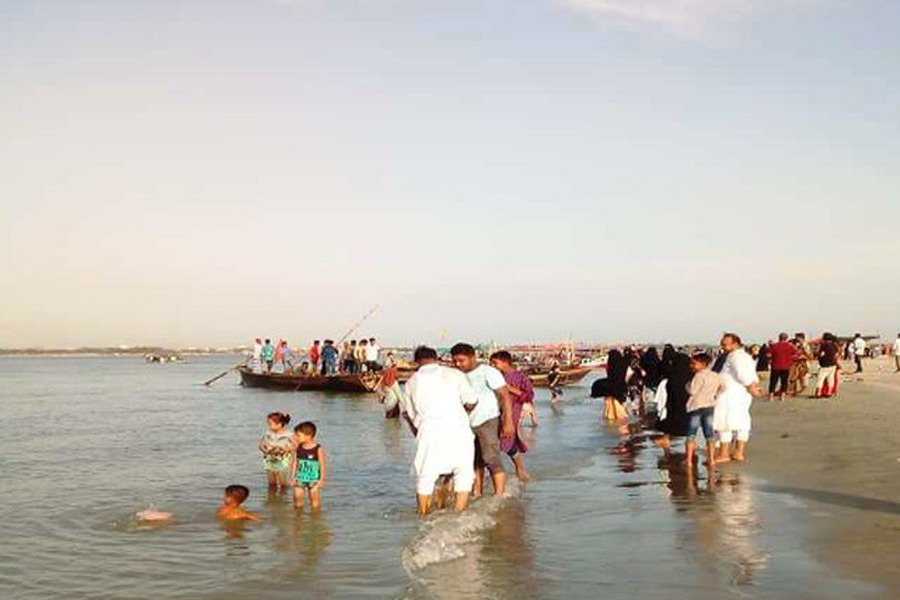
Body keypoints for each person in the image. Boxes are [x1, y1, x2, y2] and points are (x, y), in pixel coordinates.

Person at [400, 346, 477, 516]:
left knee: (426, 475)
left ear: (416, 361)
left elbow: (411, 415)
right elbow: (471, 401)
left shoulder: (412, 381)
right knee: (462, 472)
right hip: (458, 428)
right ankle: (458, 515)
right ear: (436, 358)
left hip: (429, 431)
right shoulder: (454, 374)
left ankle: (422, 516)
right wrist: (465, 411)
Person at [451, 343, 515, 498]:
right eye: (455, 361)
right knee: (473, 459)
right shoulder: (456, 375)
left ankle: (499, 495)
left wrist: (508, 421)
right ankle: (477, 492)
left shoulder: (488, 372)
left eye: (461, 361)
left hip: (487, 419)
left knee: (490, 457)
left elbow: (505, 395)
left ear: (472, 357)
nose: (458, 364)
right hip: (465, 423)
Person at [713, 333, 762, 463]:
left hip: (731, 394)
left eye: (725, 344)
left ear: (735, 344)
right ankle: (738, 452)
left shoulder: (735, 356)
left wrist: (750, 385)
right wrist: (752, 385)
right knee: (742, 422)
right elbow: (751, 374)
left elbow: (742, 374)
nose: (722, 347)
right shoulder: (745, 356)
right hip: (740, 393)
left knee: (725, 422)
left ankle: (724, 453)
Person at [489, 351, 532, 481]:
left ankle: (519, 467)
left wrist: (510, 389)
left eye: (495, 363)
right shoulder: (494, 376)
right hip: (493, 411)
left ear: (505, 362)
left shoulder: (520, 377)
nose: (493, 366)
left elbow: (528, 395)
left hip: (512, 411)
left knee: (506, 440)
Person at [685, 353, 725, 467]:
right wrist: (715, 395)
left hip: (696, 406)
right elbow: (723, 387)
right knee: (709, 433)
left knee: (691, 433)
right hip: (709, 406)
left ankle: (688, 460)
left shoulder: (699, 376)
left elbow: (692, 391)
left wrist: (687, 385)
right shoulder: (715, 375)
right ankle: (711, 459)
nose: (692, 365)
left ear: (703, 364)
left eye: (694, 363)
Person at [655, 351, 692, 452]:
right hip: (689, 404)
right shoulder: (691, 374)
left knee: (669, 421)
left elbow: (668, 389)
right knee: (690, 424)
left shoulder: (673, 374)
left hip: (673, 403)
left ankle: (666, 439)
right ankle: (692, 443)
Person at [291, 421, 326, 511]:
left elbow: (322, 465)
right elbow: (295, 462)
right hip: (300, 478)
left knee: (314, 502)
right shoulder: (298, 448)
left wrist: (321, 479)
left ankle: (315, 518)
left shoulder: (318, 448)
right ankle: (298, 519)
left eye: (298, 435)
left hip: (313, 479)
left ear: (308, 435)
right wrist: (292, 477)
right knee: (297, 500)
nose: (296, 437)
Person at [259, 412, 293, 491]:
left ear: (280, 424)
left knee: (283, 484)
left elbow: (296, 446)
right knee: (271, 483)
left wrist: (284, 449)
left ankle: (282, 499)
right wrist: (265, 450)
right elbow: (261, 445)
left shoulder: (288, 434)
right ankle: (272, 499)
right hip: (269, 459)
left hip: (282, 460)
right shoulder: (268, 433)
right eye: (268, 424)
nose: (269, 426)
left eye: (271, 424)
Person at [592, 349, 628, 422]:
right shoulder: (623, 364)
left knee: (611, 408)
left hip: (611, 389)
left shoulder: (612, 364)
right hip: (620, 388)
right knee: (616, 406)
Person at [768, 332, 795, 402]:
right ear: (786, 338)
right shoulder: (790, 346)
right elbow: (795, 354)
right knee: (784, 382)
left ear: (779, 338)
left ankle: (771, 397)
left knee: (773, 382)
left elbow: (769, 355)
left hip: (775, 366)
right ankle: (782, 396)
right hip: (786, 366)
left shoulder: (774, 346)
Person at [815, 333, 841, 397]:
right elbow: (836, 354)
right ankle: (829, 392)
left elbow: (821, 354)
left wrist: (818, 356)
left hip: (825, 365)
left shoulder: (823, 345)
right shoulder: (834, 345)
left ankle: (818, 393)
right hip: (833, 364)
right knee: (831, 379)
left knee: (820, 379)